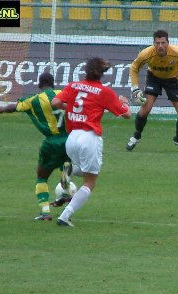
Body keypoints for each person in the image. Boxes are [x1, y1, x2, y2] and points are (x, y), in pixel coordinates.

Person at [52, 57, 131, 227]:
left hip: (72, 137)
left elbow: (55, 102)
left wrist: (70, 108)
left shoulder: (73, 86)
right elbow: (126, 114)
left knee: (83, 169)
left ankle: (70, 170)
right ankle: (65, 216)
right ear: (102, 74)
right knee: (90, 182)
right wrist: (125, 103)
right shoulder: (104, 92)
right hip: (89, 136)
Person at [0, 72, 70, 221]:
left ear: (39, 84)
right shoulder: (63, 93)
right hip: (69, 140)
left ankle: (45, 212)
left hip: (51, 142)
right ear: (53, 83)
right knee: (65, 166)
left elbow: (13, 107)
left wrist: (2, 109)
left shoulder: (34, 100)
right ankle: (65, 189)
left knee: (42, 177)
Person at [126, 29, 178, 152]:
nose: (160, 46)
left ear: (168, 43)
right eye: (157, 43)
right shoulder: (146, 54)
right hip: (154, 79)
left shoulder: (177, 51)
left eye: (163, 43)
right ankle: (136, 136)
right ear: (154, 44)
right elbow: (134, 67)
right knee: (145, 110)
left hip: (173, 80)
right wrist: (135, 89)